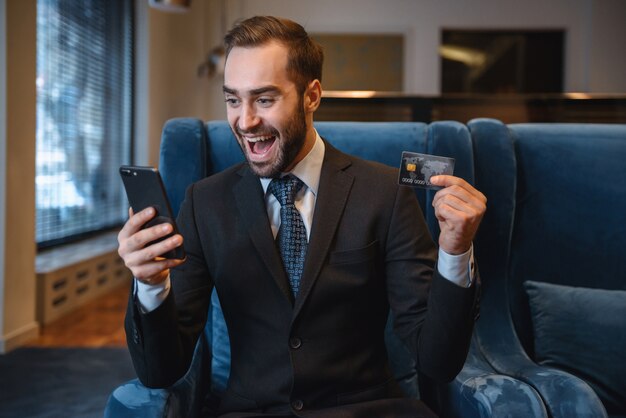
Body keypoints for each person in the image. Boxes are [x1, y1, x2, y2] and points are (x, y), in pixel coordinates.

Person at [118, 16, 486, 418]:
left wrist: (455, 251)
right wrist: (149, 285)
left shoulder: (385, 194)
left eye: (264, 99)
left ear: (311, 95)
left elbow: (437, 361)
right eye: (233, 100)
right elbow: (161, 371)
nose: (245, 121)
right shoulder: (205, 203)